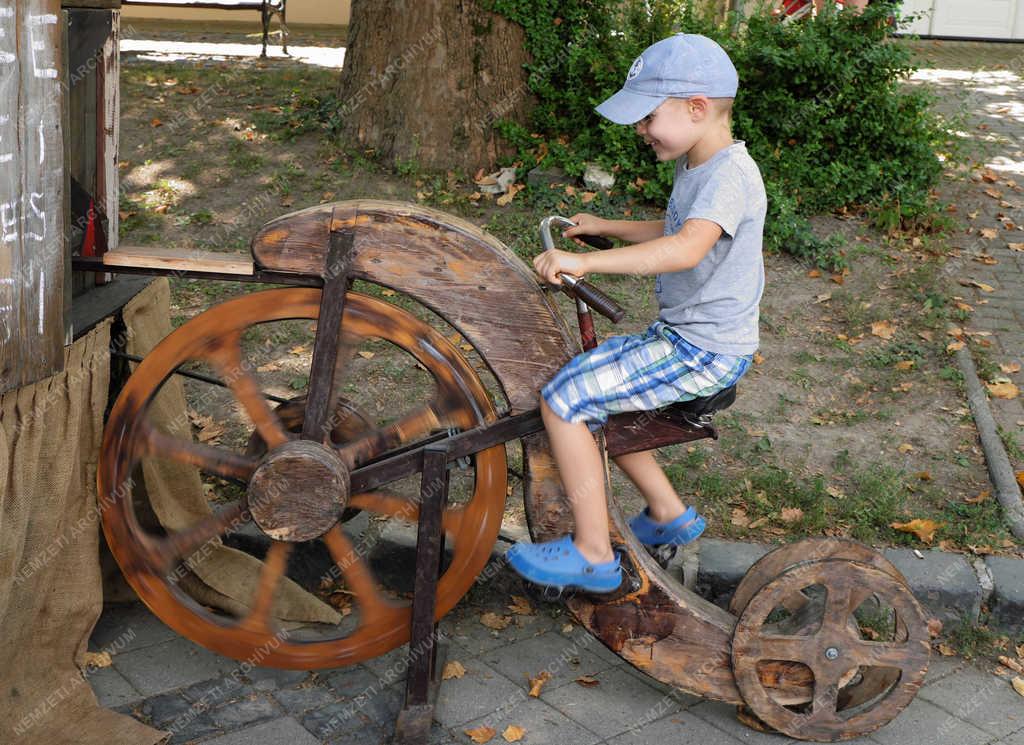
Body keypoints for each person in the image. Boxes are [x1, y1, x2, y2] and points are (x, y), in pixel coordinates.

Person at [506, 33, 767, 593]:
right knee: (597, 391)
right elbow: (676, 231)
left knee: (566, 400)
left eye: (648, 118)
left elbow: (685, 249)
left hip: (701, 350)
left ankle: (593, 554)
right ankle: (667, 512)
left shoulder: (728, 175)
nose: (640, 131)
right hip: (687, 338)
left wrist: (585, 262)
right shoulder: (702, 164)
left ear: (697, 108)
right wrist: (604, 228)